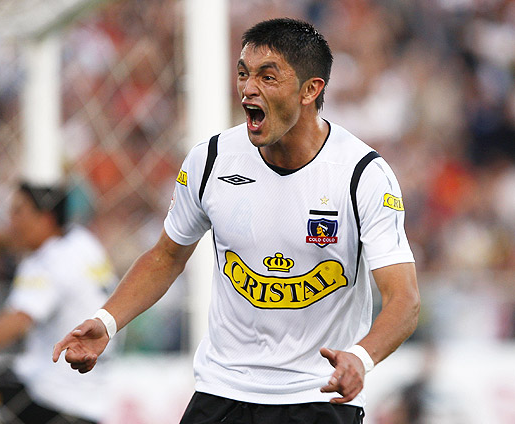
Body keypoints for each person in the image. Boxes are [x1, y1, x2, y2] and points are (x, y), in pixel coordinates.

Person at [53, 18, 420, 424]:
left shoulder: (362, 175)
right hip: (223, 391)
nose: (248, 89)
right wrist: (107, 322)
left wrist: (362, 357)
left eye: (268, 76)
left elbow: (404, 300)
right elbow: (166, 256)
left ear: (310, 90)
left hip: (318, 396)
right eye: (244, 73)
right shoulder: (211, 160)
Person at [0, 182, 118, 424]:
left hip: (49, 394)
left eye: (18, 212)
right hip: (91, 398)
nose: (10, 220)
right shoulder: (82, 242)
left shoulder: (46, 263)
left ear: (45, 218)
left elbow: (18, 319)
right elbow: (11, 240)